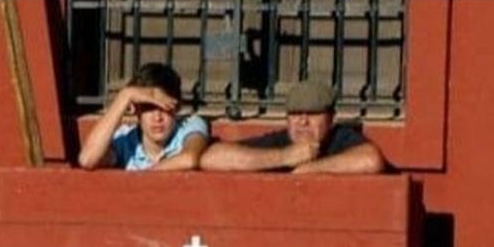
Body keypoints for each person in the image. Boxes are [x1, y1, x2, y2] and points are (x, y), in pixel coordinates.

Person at [199, 78, 388, 174]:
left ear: (331, 119)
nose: (303, 122)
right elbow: (212, 158)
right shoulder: (280, 141)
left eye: (313, 114)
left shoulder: (340, 138)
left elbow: (371, 160)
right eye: (296, 114)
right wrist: (284, 157)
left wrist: (311, 169)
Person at [77, 61, 210, 172]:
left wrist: (142, 177)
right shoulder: (127, 139)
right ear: (136, 110)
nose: (157, 118)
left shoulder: (189, 124)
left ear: (177, 107)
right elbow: (87, 159)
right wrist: (125, 96)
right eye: (148, 108)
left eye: (165, 108)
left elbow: (189, 159)